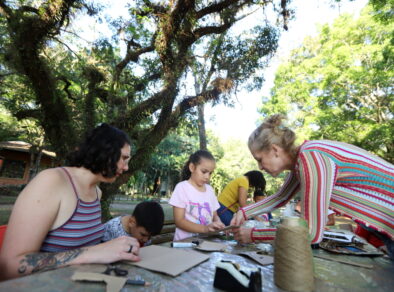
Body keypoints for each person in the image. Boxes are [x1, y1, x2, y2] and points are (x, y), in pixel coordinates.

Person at [231, 114, 394, 259]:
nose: (259, 167)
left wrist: (254, 235)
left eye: (259, 159)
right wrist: (244, 211)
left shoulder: (312, 158)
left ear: (275, 150)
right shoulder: (302, 160)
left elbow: (310, 233)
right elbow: (281, 197)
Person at [0, 124, 140, 280]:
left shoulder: (96, 192)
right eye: (124, 158)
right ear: (105, 150)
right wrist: (91, 252)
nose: (126, 167)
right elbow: (9, 265)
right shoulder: (51, 182)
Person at [169, 150, 225, 241]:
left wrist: (218, 223)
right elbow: (179, 221)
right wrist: (205, 229)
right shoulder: (182, 188)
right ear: (192, 167)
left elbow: (214, 215)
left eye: (210, 173)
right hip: (185, 244)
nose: (207, 177)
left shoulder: (210, 190)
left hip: (206, 242)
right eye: (204, 171)